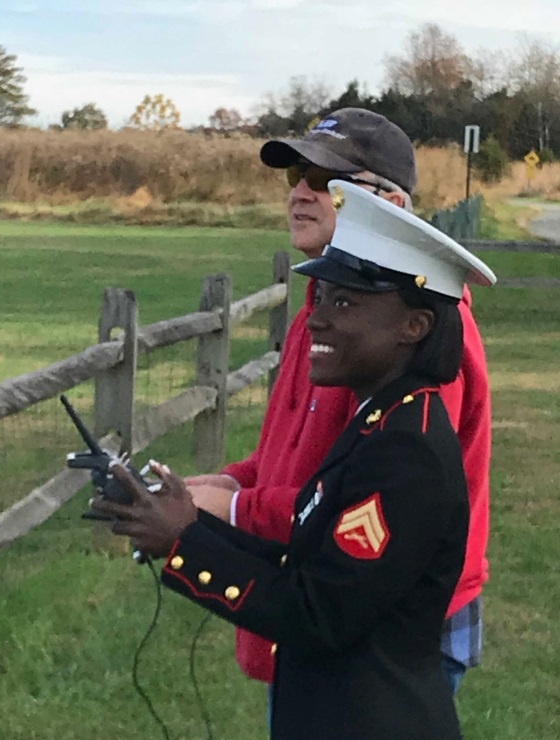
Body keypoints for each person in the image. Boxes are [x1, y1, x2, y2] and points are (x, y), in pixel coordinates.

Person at [92, 180, 496, 740]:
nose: (320, 319)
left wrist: (183, 545)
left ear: (414, 325)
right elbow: (311, 551)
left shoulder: (404, 449)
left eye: (347, 303)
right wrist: (188, 526)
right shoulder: (378, 420)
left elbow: (316, 611)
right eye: (322, 296)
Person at [185, 108, 491, 695]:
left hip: (386, 621)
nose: (300, 193)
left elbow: (379, 507)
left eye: (326, 181)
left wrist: (227, 511)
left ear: (393, 207)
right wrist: (215, 486)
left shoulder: (424, 339)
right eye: (295, 175)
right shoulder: (321, 314)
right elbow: (287, 459)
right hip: (326, 600)